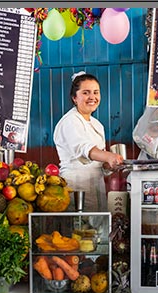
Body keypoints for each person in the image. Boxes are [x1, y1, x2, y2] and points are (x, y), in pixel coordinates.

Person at [53, 72, 124, 211]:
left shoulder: (97, 125)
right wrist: (109, 156)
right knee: (78, 229)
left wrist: (108, 166)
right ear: (74, 97)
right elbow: (84, 149)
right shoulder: (70, 121)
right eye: (86, 93)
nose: (92, 97)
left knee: (98, 230)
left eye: (96, 92)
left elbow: (98, 162)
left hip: (97, 189)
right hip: (75, 188)